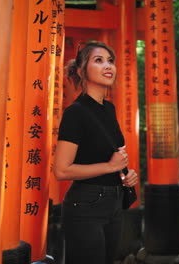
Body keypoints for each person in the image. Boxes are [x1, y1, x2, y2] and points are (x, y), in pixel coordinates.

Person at [53, 41, 139, 264]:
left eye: (110, 60)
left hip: (114, 202)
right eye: (98, 60)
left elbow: (109, 155)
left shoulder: (108, 108)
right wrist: (110, 166)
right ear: (82, 71)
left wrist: (125, 175)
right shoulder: (75, 113)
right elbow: (61, 170)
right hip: (85, 206)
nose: (108, 66)